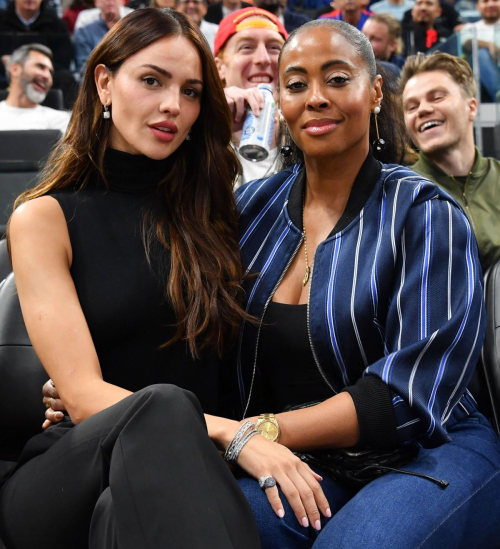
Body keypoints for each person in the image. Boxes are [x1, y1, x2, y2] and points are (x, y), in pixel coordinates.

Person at [0, 8, 330, 548]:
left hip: (179, 471)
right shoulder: (43, 219)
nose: (172, 106)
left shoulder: (217, 212)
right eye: (151, 80)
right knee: (164, 406)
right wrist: (235, 434)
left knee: (130, 508)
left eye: (193, 91)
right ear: (104, 83)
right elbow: (82, 398)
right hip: (68, 469)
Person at [232, 19, 500, 548]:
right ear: (279, 103)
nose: (315, 98)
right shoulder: (250, 210)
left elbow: (403, 398)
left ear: (375, 91)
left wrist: (256, 434)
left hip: (428, 447)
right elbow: (196, 333)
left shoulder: (426, 211)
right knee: (199, 525)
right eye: (296, 84)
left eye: (336, 78)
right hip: (303, 459)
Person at [400, 51, 500, 271]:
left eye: (437, 97)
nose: (423, 109)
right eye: (412, 107)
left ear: (471, 108)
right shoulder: (399, 193)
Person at [214, 7, 288, 186]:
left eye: (274, 48)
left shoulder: (305, 131)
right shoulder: (198, 132)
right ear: (220, 68)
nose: (263, 59)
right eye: (246, 47)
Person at [0, 0, 75, 107]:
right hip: (6, 75)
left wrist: (39, 68)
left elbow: (63, 60)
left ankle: (67, 120)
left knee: (66, 79)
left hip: (45, 76)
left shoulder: (56, 24)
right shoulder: (2, 20)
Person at [0, 43, 70, 132]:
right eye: (41, 67)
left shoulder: (61, 120)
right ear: (15, 69)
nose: (48, 77)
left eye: (50, 72)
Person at [460, 0, 500, 101]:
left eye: (495, 0)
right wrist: (489, 45)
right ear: (478, 6)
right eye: (485, 1)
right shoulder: (470, 28)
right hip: (480, 82)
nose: (490, 4)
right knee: (480, 54)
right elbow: (466, 43)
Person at [73, 0, 125, 75]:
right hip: (95, 80)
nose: (110, 1)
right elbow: (83, 69)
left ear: (122, 1)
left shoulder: (132, 30)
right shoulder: (84, 32)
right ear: (96, 2)